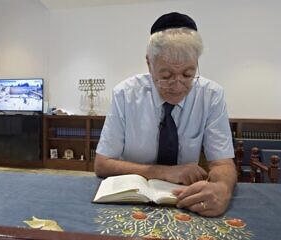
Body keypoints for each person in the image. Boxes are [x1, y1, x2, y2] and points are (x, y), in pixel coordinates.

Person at [94, 12, 236, 217]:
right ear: (149, 64)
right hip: (130, 199)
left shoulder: (211, 95)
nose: (178, 85)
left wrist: (223, 188)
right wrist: (164, 172)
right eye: (166, 75)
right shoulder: (125, 94)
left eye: (188, 74)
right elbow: (102, 164)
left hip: (184, 200)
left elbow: (222, 163)